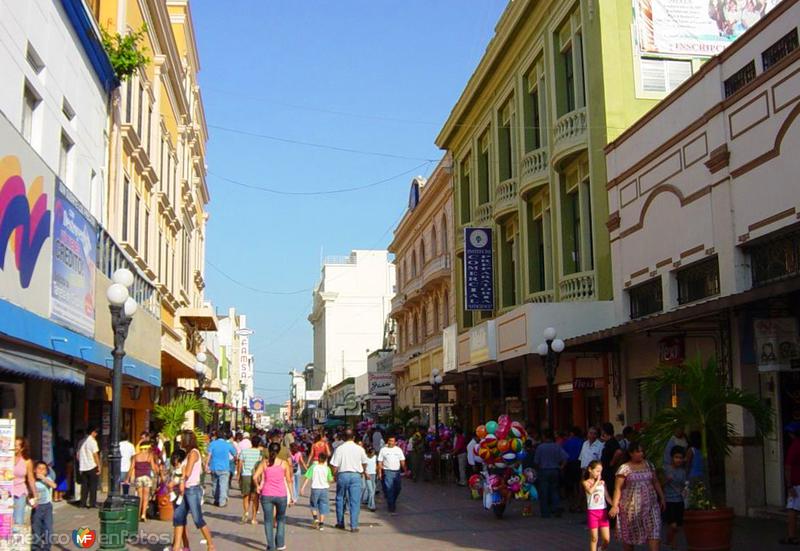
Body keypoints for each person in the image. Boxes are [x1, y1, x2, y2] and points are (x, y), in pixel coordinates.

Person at [609, 442, 666, 551]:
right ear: (631, 453)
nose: (641, 454)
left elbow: (655, 481)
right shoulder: (624, 468)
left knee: (654, 533)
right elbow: (618, 488)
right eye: (638, 452)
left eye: (642, 452)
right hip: (630, 509)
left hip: (651, 506)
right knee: (629, 537)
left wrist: (662, 497)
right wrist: (615, 506)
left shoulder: (649, 465)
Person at [169, 430, 216, 551]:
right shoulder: (188, 453)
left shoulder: (193, 453)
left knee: (197, 519)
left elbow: (188, 472)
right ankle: (177, 546)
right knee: (178, 517)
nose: (180, 443)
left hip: (192, 489)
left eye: (182, 440)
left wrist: (176, 480)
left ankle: (210, 545)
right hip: (185, 489)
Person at [253, 442, 294, 550]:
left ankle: (270, 546)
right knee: (281, 519)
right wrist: (292, 495)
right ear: (279, 451)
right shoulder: (284, 463)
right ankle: (280, 544)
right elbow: (289, 480)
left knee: (268, 521)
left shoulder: (264, 463)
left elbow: (255, 476)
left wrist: (257, 486)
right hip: (281, 495)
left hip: (266, 495)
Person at [330, 428, 368, 531]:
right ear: (354, 437)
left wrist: (334, 475)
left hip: (343, 475)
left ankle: (340, 523)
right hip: (356, 475)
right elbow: (365, 462)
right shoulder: (359, 449)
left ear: (343, 438)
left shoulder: (339, 449)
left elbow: (334, 465)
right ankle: (354, 526)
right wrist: (362, 471)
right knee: (354, 501)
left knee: (340, 498)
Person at [533, 429, 568, 518]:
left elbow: (536, 461)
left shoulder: (540, 447)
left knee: (544, 492)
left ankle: (545, 513)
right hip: (555, 470)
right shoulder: (557, 446)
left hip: (544, 470)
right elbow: (565, 457)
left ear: (544, 437)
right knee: (555, 491)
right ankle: (556, 509)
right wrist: (561, 466)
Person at [582, 460, 611, 551]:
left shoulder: (603, 483)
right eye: (597, 471)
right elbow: (590, 492)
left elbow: (607, 497)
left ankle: (601, 549)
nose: (599, 473)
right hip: (592, 511)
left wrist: (615, 505)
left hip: (603, 511)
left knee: (606, 539)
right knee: (594, 538)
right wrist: (597, 481)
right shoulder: (586, 482)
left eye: (600, 471)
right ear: (590, 470)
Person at [127, 440, 159, 522]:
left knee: (139, 497)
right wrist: (156, 472)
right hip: (147, 478)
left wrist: (127, 478)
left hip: (138, 478)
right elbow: (153, 468)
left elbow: (131, 468)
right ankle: (143, 515)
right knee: (146, 497)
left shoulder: (135, 457)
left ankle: (137, 515)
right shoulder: (149, 456)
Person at [301, 451, 333, 530]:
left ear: (318, 459)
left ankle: (315, 519)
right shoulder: (327, 468)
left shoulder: (313, 467)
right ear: (325, 460)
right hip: (324, 489)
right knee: (323, 505)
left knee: (313, 505)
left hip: (315, 488)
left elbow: (307, 477)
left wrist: (302, 487)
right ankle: (321, 524)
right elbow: (330, 479)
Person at [663, 446, 687, 551]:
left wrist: (685, 491)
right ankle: (673, 543)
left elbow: (684, 486)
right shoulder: (666, 469)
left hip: (680, 500)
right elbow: (659, 484)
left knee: (677, 525)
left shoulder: (683, 471)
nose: (678, 460)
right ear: (672, 457)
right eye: (676, 457)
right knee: (672, 524)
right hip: (669, 500)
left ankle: (669, 540)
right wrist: (666, 480)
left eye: (681, 458)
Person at [205, 431, 237, 507]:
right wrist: (235, 461)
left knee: (215, 484)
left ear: (216, 436)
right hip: (225, 467)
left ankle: (216, 499)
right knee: (223, 485)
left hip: (214, 467)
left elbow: (209, 455)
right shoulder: (227, 444)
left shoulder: (212, 444)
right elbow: (235, 454)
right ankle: (222, 502)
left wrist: (206, 465)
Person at [599, 423, 625, 515]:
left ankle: (612, 516)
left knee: (609, 492)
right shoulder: (608, 442)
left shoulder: (612, 442)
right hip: (606, 470)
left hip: (609, 471)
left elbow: (618, 452)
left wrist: (612, 462)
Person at [377, 435, 406, 514]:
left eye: (393, 441)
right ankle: (391, 506)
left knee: (398, 488)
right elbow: (380, 461)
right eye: (390, 441)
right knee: (390, 489)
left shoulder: (398, 450)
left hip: (397, 472)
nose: (391, 442)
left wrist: (405, 470)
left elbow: (402, 460)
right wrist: (379, 472)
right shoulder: (383, 450)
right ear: (388, 441)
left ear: (395, 442)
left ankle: (392, 499)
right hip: (387, 471)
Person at [238, 435, 264, 524]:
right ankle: (253, 518)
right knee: (256, 497)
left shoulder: (244, 451)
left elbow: (240, 463)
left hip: (245, 475)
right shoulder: (260, 453)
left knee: (246, 496)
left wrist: (238, 474)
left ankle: (246, 512)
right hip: (256, 476)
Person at [12, 437, 36, 530]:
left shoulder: (27, 461)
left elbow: (30, 478)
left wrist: (35, 495)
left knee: (17, 520)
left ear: (22, 448)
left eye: (17, 445)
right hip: (5, 492)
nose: (14, 447)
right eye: (13, 445)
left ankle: (15, 541)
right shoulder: (5, 458)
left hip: (19, 492)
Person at [31, 461, 55, 551]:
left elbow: (54, 485)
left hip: (47, 506)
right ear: (34, 470)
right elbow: (29, 492)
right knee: (36, 527)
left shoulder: (47, 478)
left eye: (43, 469)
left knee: (48, 528)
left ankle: (46, 547)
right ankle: (36, 547)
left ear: (46, 471)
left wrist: (44, 479)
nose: (41, 471)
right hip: (37, 507)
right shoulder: (32, 480)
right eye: (39, 468)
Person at [782, 422, 800, 545]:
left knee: (792, 509)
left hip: (796, 483)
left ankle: (792, 536)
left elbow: (788, 467)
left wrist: (789, 485)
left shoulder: (795, 446)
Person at [77, 428, 100, 509]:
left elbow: (77, 455)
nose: (96, 434)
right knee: (93, 485)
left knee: (84, 485)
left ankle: (82, 503)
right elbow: (95, 455)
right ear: (93, 432)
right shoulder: (92, 442)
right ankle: (92, 503)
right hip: (92, 466)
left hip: (83, 467)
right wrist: (99, 466)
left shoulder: (81, 442)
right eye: (96, 432)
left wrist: (81, 462)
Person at [563, 427, 585, 512]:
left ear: (572, 433)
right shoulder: (583, 442)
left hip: (569, 465)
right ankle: (580, 504)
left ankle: (573, 504)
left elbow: (564, 454)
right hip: (579, 464)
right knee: (579, 485)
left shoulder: (567, 442)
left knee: (571, 486)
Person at [362, 447, 377, 512]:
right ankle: (372, 505)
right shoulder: (365, 458)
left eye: (373, 453)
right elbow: (363, 467)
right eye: (371, 454)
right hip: (367, 475)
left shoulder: (375, 457)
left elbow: (377, 465)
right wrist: (365, 473)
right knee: (371, 490)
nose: (372, 455)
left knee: (373, 489)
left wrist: (378, 473)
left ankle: (368, 501)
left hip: (374, 474)